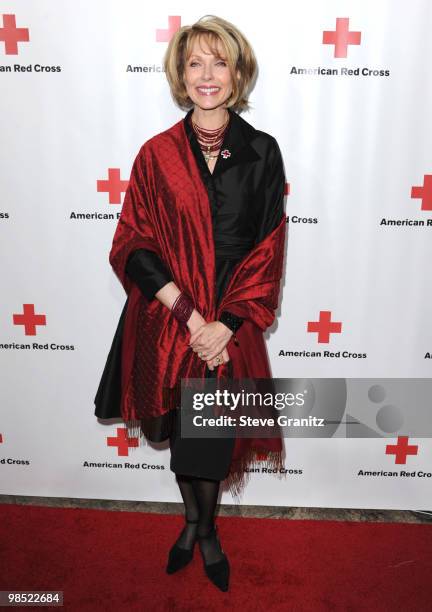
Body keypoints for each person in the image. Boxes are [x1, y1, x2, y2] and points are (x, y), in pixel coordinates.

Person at [94, 15, 287, 592]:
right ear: (180, 73)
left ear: (237, 71)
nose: (207, 75)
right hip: (168, 318)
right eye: (195, 62)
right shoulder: (156, 155)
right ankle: (193, 525)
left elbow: (268, 246)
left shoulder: (261, 152)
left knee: (211, 435)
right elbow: (132, 243)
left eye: (219, 61)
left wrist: (224, 325)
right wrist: (190, 317)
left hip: (231, 320)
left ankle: (205, 534)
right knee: (183, 433)